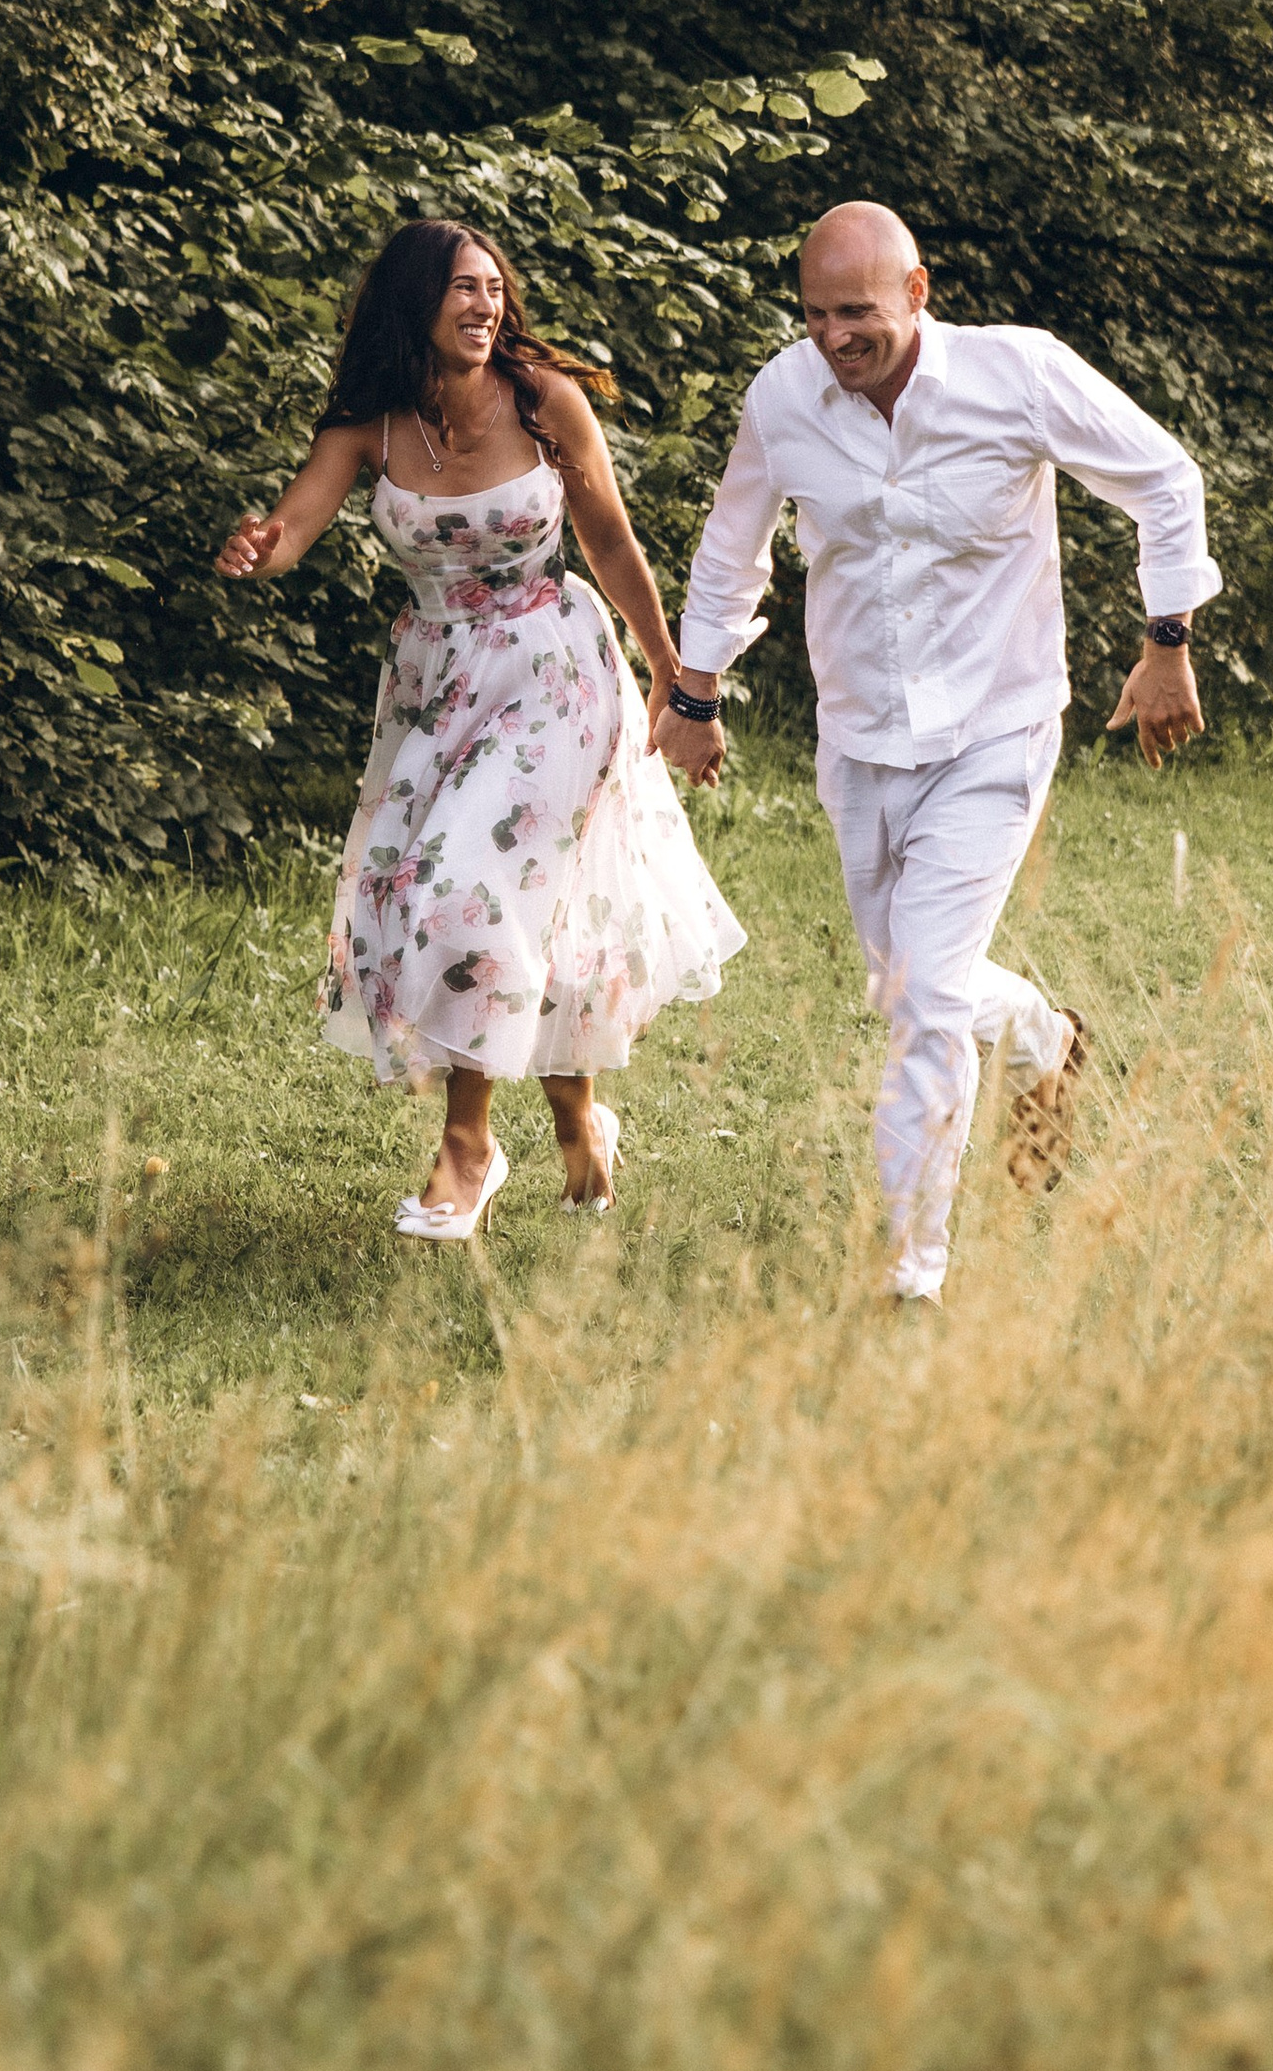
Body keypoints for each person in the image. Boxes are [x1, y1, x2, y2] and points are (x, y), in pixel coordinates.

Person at [652, 202, 1217, 1303]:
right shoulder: (784, 397)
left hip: (994, 727)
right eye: (815, 314)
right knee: (904, 981)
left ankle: (911, 1266)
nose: (834, 337)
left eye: (856, 311)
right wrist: (695, 692)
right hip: (861, 734)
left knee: (921, 1002)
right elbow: (731, 549)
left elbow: (1163, 478)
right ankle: (1044, 1039)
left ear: (917, 293)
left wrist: (1166, 645)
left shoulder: (1017, 375)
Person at [216, 218, 743, 1240]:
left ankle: (468, 1148)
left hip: (555, 669)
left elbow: (610, 542)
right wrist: (258, 549)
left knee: (463, 889)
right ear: (415, 301)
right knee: (514, 906)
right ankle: (579, 1116)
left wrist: (677, 684)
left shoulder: (544, 401)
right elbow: (294, 527)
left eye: (494, 288)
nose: (485, 305)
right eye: (464, 287)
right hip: (436, 684)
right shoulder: (370, 427)